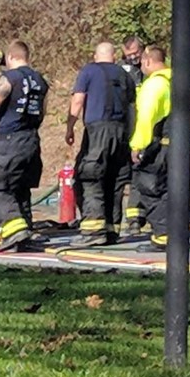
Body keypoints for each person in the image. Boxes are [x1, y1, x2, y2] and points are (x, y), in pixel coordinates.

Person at [65, 41, 136, 246]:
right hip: (121, 132)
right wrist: (130, 136)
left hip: (98, 131)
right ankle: (111, 229)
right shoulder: (125, 75)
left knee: (89, 176)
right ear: (114, 57)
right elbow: (133, 108)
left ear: (96, 56)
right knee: (115, 179)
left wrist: (70, 127)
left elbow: (78, 100)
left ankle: (93, 230)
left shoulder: (89, 71)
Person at [0, 41, 49, 251]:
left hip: (10, 140)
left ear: (10, 57)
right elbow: (43, 111)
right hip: (32, 139)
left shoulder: (10, 77)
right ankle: (25, 232)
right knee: (20, 188)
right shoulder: (41, 81)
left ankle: (13, 229)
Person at [130, 45, 172, 253]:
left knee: (150, 189)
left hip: (159, 148)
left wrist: (138, 145)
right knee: (169, 190)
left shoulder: (154, 85)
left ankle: (163, 236)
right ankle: (172, 233)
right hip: (176, 147)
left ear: (148, 61)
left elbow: (146, 117)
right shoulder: (175, 81)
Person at [120, 35, 148, 234]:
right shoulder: (121, 71)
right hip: (126, 128)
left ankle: (136, 217)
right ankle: (131, 218)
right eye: (128, 54)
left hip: (146, 127)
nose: (132, 57)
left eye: (135, 53)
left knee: (141, 172)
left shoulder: (150, 68)